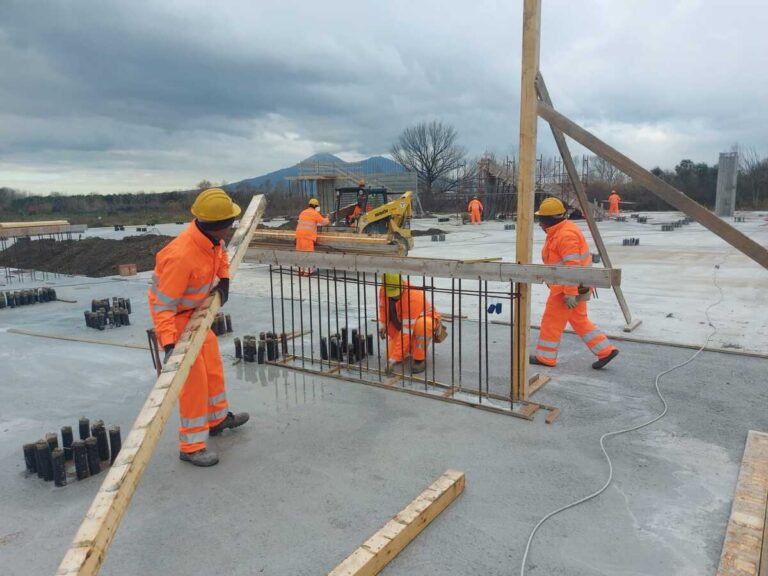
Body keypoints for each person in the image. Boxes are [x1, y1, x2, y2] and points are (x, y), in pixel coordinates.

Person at [148, 188, 250, 467]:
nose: (231, 228)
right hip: (178, 319)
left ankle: (217, 419)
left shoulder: (210, 241)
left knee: (212, 365)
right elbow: (162, 305)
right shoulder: (181, 256)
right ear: (221, 226)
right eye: (229, 223)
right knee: (193, 381)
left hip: (196, 314)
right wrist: (169, 344)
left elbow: (221, 259)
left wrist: (224, 279)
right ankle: (190, 445)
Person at [531, 197, 619, 370]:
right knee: (579, 320)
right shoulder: (560, 231)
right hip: (574, 286)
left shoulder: (565, 235)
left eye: (541, 220)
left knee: (551, 322)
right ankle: (606, 350)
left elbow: (573, 267)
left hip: (567, 289)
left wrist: (570, 293)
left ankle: (545, 357)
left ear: (548, 220)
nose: (539, 224)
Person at [378, 273, 442, 374]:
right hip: (403, 323)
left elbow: (406, 331)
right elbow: (382, 307)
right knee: (391, 354)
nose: (394, 296)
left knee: (423, 324)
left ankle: (419, 359)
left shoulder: (413, 297)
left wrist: (393, 359)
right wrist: (383, 323)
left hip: (423, 321)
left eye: (396, 293)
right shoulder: (383, 290)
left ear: (402, 284)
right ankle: (410, 347)